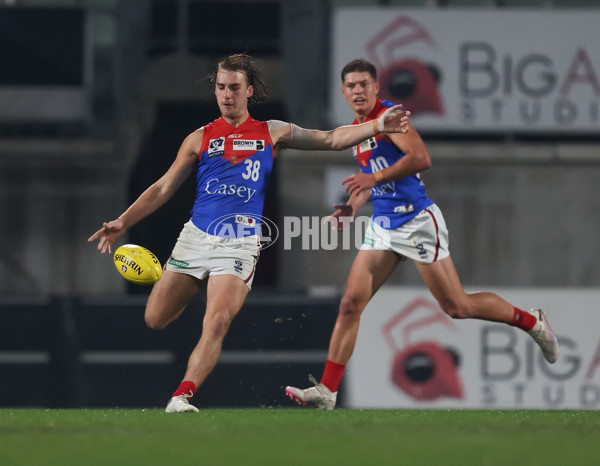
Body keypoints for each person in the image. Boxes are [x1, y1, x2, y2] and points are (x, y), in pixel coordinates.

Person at [88, 54, 410, 413]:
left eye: (234, 87)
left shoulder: (271, 131)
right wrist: (124, 220)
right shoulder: (199, 138)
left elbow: (332, 138)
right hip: (195, 236)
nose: (227, 94)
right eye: (221, 87)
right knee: (155, 318)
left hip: (239, 242)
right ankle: (187, 284)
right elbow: (163, 188)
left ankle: (182, 396)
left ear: (249, 91)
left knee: (218, 320)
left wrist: (378, 125)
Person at [285, 58, 560, 410]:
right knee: (350, 303)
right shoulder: (359, 129)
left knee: (457, 306)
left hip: (416, 220)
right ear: (343, 92)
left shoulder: (390, 118)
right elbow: (371, 178)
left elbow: (421, 158)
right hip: (383, 226)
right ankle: (327, 390)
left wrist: (373, 180)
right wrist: (353, 205)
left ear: (376, 88)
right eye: (351, 85)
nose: (357, 90)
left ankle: (532, 322)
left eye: (364, 84)